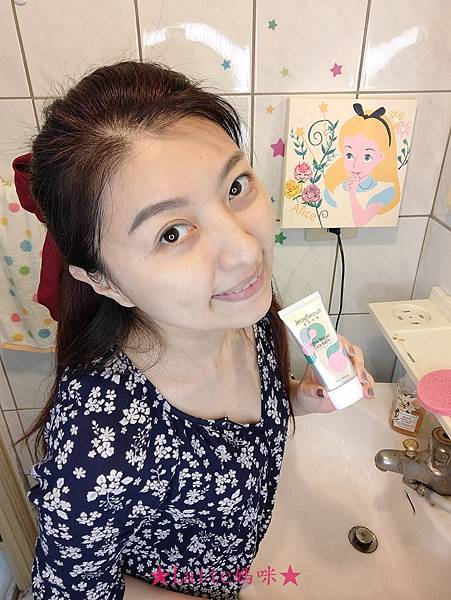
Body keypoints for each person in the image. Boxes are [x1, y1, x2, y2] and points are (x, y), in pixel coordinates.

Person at [13, 60, 375, 599]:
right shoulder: (100, 440)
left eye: (236, 186)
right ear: (103, 280)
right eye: (172, 232)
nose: (245, 251)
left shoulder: (242, 313)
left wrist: (300, 397)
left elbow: (240, 437)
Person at [323, 103, 400, 227]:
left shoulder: (385, 191)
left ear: (381, 157)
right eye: (349, 155)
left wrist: (352, 195)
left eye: (367, 157)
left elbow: (360, 222)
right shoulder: (337, 187)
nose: (356, 166)